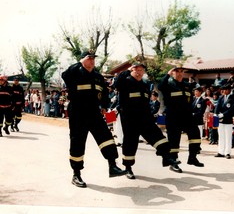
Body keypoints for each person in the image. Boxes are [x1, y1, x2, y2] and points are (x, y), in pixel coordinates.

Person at [61, 49, 127, 188]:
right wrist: (78, 63)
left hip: (94, 112)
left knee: (106, 138)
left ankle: (112, 166)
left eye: (93, 58)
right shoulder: (74, 72)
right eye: (89, 58)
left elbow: (103, 92)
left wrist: (104, 105)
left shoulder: (97, 76)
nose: (92, 60)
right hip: (78, 112)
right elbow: (65, 75)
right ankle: (76, 174)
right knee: (78, 142)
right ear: (82, 60)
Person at [114, 62, 179, 179]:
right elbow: (117, 83)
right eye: (136, 70)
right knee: (130, 143)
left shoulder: (145, 85)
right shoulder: (125, 82)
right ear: (132, 71)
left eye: (141, 70)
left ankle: (166, 157)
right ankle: (128, 168)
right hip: (129, 119)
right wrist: (128, 70)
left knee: (158, 136)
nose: (139, 73)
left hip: (144, 117)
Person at [158, 65, 204, 174]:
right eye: (176, 71)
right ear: (172, 73)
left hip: (186, 116)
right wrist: (167, 74)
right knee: (174, 140)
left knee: (195, 134)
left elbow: (191, 97)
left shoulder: (186, 85)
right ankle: (173, 162)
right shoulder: (168, 84)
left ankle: (192, 157)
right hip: (173, 116)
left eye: (181, 71)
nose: (179, 73)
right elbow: (160, 86)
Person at [214, 85, 234, 159]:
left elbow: (231, 109)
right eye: (223, 89)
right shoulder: (221, 97)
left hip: (228, 120)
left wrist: (223, 114)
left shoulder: (233, 98)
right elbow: (217, 106)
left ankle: (227, 152)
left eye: (226, 89)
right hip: (220, 120)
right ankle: (221, 152)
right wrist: (216, 114)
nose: (224, 91)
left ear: (229, 90)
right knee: (221, 136)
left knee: (228, 137)